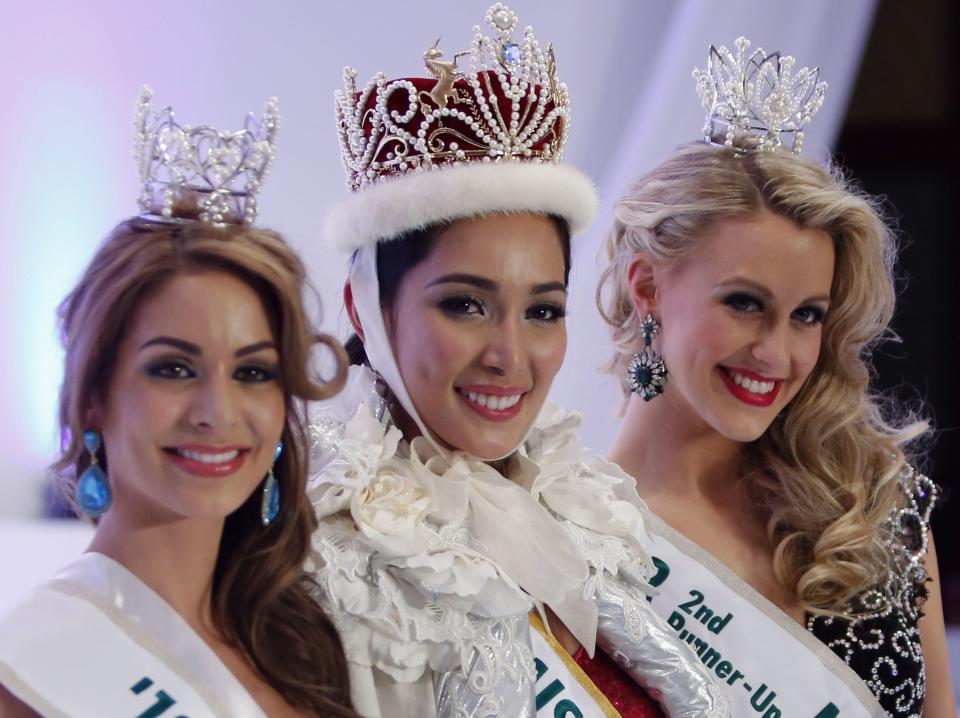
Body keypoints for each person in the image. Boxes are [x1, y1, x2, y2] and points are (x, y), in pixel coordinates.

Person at [306, 5, 728, 717]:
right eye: (465, 305)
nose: (510, 356)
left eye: (542, 311)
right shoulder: (321, 556)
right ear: (366, 308)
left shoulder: (588, 512)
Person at [597, 37, 956, 717]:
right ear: (646, 287)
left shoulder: (876, 505)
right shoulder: (577, 536)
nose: (777, 353)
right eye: (744, 303)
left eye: (807, 315)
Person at [0, 87, 356, 717]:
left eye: (252, 372)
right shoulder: (28, 676)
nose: (216, 412)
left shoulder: (308, 645)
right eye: (173, 368)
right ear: (92, 399)